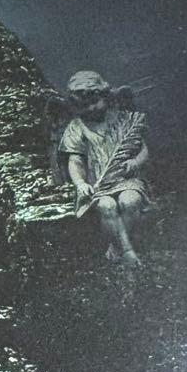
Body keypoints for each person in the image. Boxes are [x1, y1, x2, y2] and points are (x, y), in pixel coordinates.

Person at [58, 71, 150, 266]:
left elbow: (143, 149)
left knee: (130, 201)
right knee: (107, 206)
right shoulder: (77, 127)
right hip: (96, 183)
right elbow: (75, 161)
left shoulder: (123, 120)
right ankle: (127, 250)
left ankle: (115, 245)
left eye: (94, 102)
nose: (90, 108)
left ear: (106, 97)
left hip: (125, 179)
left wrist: (135, 163)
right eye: (84, 106)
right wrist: (80, 183)